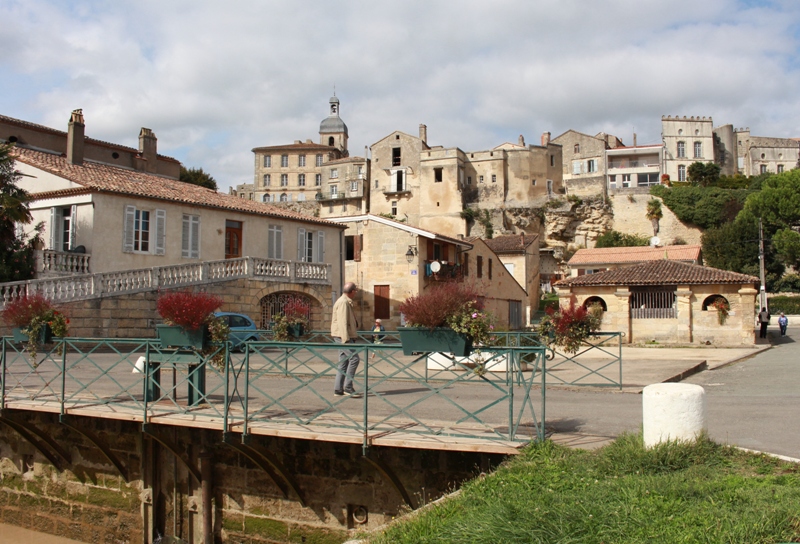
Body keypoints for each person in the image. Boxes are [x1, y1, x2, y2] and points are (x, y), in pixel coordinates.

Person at [331, 282, 360, 397]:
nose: (356, 292)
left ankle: (338, 389)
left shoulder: (345, 301)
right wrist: (346, 339)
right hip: (342, 336)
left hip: (342, 335)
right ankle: (348, 387)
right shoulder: (343, 302)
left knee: (343, 361)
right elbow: (343, 322)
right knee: (354, 359)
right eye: (355, 290)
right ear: (352, 291)